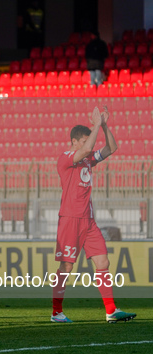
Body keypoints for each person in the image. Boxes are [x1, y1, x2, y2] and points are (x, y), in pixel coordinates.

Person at [51, 106, 136, 324]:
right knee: (66, 267)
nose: (89, 144)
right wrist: (96, 123)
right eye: (85, 140)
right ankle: (56, 312)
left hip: (89, 222)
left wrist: (105, 125)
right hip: (70, 220)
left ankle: (111, 311)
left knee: (103, 262)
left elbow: (112, 148)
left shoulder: (88, 160)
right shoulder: (65, 158)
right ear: (74, 142)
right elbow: (88, 150)